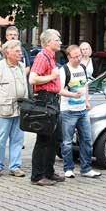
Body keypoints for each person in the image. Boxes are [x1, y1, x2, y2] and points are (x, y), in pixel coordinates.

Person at [0, 40, 28, 177]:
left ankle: (15, 166)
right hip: (3, 109)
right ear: (7, 53)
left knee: (17, 139)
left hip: (20, 109)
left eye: (20, 51)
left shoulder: (22, 66)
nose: (20, 53)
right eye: (17, 51)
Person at [29, 29, 65, 186]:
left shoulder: (51, 57)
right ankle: (37, 176)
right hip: (45, 100)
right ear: (49, 42)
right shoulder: (42, 57)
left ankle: (49, 172)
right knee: (43, 138)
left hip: (53, 100)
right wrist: (52, 77)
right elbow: (32, 78)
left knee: (54, 138)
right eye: (57, 39)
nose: (60, 42)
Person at [59, 45, 101, 179]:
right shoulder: (64, 70)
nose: (78, 59)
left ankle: (86, 168)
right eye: (75, 57)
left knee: (87, 139)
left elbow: (85, 85)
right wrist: (73, 95)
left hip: (82, 110)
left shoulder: (82, 68)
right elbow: (59, 90)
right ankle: (68, 168)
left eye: (79, 56)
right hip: (68, 110)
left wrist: (87, 100)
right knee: (67, 141)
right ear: (69, 57)